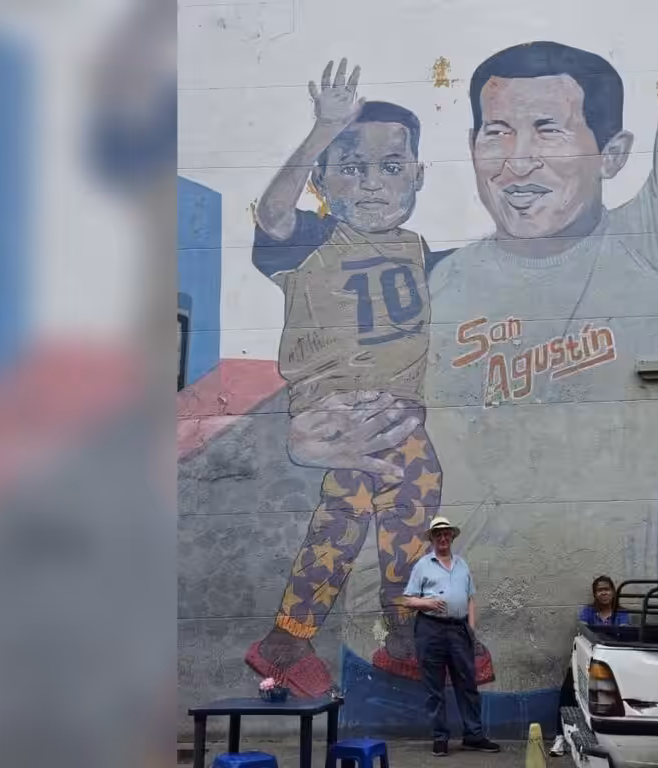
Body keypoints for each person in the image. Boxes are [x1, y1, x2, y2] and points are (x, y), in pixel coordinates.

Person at [281, 0, 658, 702]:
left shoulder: (656, 257)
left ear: (612, 153)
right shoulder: (426, 280)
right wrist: (311, 432)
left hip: (574, 668)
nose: (516, 160)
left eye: (548, 129)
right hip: (387, 658)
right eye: (495, 132)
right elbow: (336, 370)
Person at [245, 59, 495, 696]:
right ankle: (365, 636)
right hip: (342, 412)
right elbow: (272, 212)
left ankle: (314, 639)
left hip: (398, 413)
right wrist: (322, 130)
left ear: (417, 176)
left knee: (390, 507)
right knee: (370, 504)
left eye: (391, 166)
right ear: (323, 181)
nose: (374, 183)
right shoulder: (311, 239)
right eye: (351, 166)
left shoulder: (417, 249)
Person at [403, 517, 501, 756]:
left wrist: (471, 629)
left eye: (447, 534)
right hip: (430, 630)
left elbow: (470, 599)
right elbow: (407, 600)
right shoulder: (423, 565)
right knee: (434, 687)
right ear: (432, 539)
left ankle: (473, 736)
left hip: (459, 631)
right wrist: (426, 602)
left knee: (467, 684)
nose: (443, 538)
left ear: (452, 537)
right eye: (438, 535)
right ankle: (440, 738)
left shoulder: (462, 564)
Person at [550, 576, 630, 757]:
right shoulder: (588, 613)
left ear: (613, 591)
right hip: (586, 662)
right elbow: (583, 633)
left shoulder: (621, 614)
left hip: (612, 667)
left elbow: (623, 637)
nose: (604, 593)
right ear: (594, 594)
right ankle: (560, 737)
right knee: (567, 691)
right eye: (599, 590)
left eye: (607, 589)